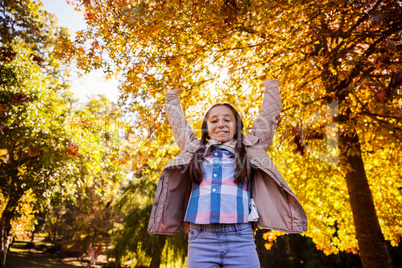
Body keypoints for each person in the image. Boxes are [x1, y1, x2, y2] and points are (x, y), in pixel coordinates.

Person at [148, 79, 308, 267]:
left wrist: (271, 88)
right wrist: (171, 97)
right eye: (214, 120)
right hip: (201, 238)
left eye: (227, 119)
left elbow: (269, 116)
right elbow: (179, 125)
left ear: (237, 126)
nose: (221, 124)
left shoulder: (248, 148)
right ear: (206, 128)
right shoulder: (195, 149)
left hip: (240, 237)